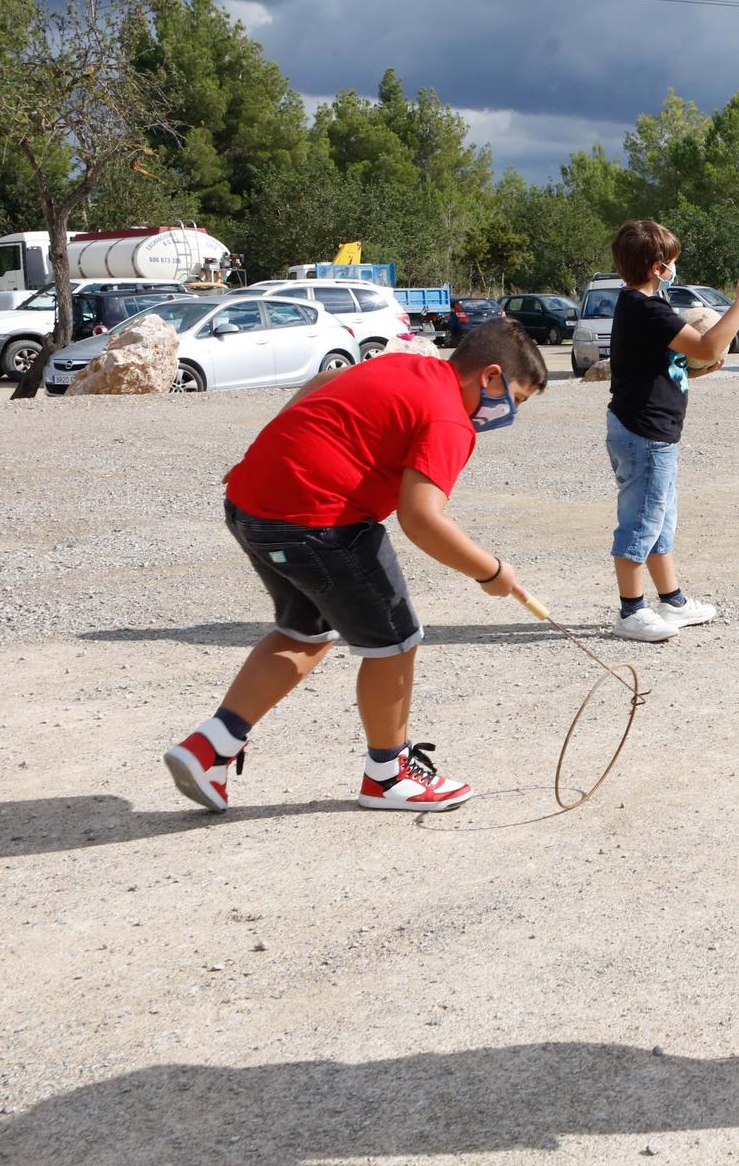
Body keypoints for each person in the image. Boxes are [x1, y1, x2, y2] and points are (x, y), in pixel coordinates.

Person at [163, 320, 547, 815]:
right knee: (394, 640)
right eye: (515, 399)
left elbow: (322, 385)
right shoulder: (449, 418)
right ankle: (389, 775)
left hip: (250, 505)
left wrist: (276, 447)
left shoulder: (407, 365)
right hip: (319, 522)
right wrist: (491, 572)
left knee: (305, 632)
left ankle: (209, 748)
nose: (507, 415)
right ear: (491, 376)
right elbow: (422, 517)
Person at [602, 219, 739, 641]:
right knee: (640, 522)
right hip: (644, 434)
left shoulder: (637, 306)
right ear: (657, 267)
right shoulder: (646, 308)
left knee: (659, 520)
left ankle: (671, 601)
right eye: (671, 262)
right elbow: (708, 344)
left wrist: (700, 372)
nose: (674, 268)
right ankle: (630, 612)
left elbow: (663, 366)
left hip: (651, 431)